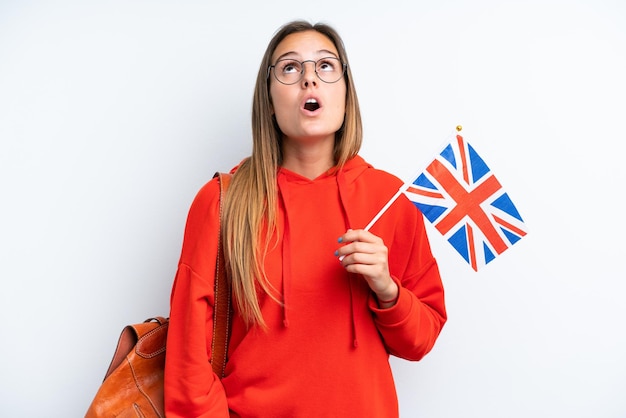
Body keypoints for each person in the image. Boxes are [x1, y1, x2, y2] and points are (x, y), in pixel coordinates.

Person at [164, 20, 447, 418]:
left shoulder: (391, 199)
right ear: (269, 98)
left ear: (346, 95)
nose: (309, 80)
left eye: (326, 67)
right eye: (291, 68)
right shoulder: (221, 203)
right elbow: (187, 362)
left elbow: (420, 341)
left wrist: (387, 290)